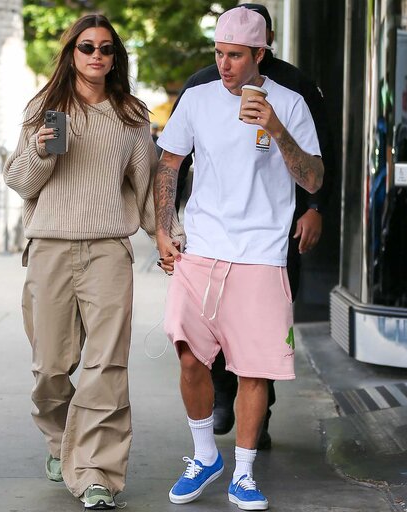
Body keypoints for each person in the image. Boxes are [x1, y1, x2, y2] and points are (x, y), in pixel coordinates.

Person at [3, 14, 182, 510]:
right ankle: (61, 440)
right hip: (50, 248)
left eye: (106, 48)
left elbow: (145, 189)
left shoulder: (130, 113)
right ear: (71, 53)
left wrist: (166, 236)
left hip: (107, 249)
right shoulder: (43, 107)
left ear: (115, 57)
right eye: (87, 47)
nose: (96, 56)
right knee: (51, 369)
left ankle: (98, 473)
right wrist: (41, 152)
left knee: (107, 365)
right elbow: (18, 182)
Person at [154, 7, 323, 510]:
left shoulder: (289, 104)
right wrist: (165, 229)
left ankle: (244, 474)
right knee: (188, 354)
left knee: (254, 370)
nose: (224, 65)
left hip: (260, 254)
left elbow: (313, 177)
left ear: (258, 55)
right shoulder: (198, 98)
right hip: (202, 248)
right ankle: (205, 456)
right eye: (219, 54)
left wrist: (275, 129)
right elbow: (169, 163)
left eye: (234, 56)